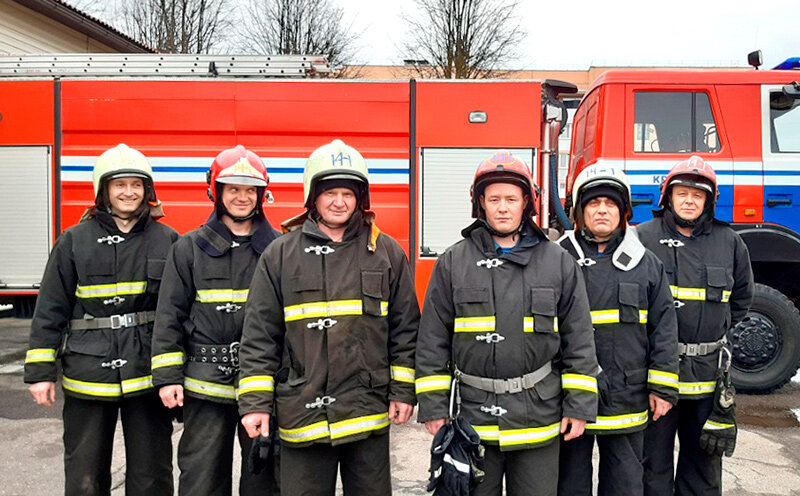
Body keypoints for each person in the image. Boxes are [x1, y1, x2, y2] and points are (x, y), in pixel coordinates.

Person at [237, 139, 420, 495]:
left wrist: (403, 391)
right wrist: (256, 403)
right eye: (330, 192)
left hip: (367, 412)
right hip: (301, 413)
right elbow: (260, 334)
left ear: (360, 198)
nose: (339, 202)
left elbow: (405, 329)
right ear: (313, 197)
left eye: (348, 194)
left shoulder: (385, 252)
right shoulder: (280, 254)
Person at [415, 150, 598, 496]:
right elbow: (432, 341)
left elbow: (579, 339)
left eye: (511, 199)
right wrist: (434, 406)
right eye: (494, 198)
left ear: (526, 202)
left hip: (540, 418)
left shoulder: (558, 262)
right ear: (480, 203)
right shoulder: (453, 262)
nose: (503, 207)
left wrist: (578, 404)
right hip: (471, 420)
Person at [24, 143, 177, 496]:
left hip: (147, 374)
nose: (128, 192)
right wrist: (40, 374)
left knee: (152, 473)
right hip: (87, 376)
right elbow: (50, 308)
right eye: (119, 184)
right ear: (103, 190)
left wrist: (176, 372)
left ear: (147, 190)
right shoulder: (73, 241)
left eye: (136, 185)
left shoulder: (167, 240)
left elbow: (177, 312)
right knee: (85, 474)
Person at [151, 145, 281, 496]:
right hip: (203, 385)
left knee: (264, 479)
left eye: (250, 189)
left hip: (262, 387)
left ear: (262, 194)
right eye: (233, 188)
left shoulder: (280, 249)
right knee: (201, 479)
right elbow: (169, 317)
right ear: (215, 191)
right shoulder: (188, 248)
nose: (242, 197)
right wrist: (167, 377)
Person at [556, 166, 678, 496]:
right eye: (593, 203)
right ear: (579, 211)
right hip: (569, 397)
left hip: (628, 395)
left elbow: (664, 328)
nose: (602, 211)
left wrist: (663, 388)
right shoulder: (557, 258)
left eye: (610, 204)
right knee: (569, 484)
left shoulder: (646, 262)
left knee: (625, 484)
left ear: (623, 211)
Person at [639, 156, 754, 496]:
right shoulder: (642, 238)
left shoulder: (729, 241)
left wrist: (709, 333)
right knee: (651, 467)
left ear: (709, 201)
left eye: (697, 195)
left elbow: (742, 299)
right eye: (682, 193)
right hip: (655, 377)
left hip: (706, 378)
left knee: (703, 467)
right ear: (668, 197)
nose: (689, 200)